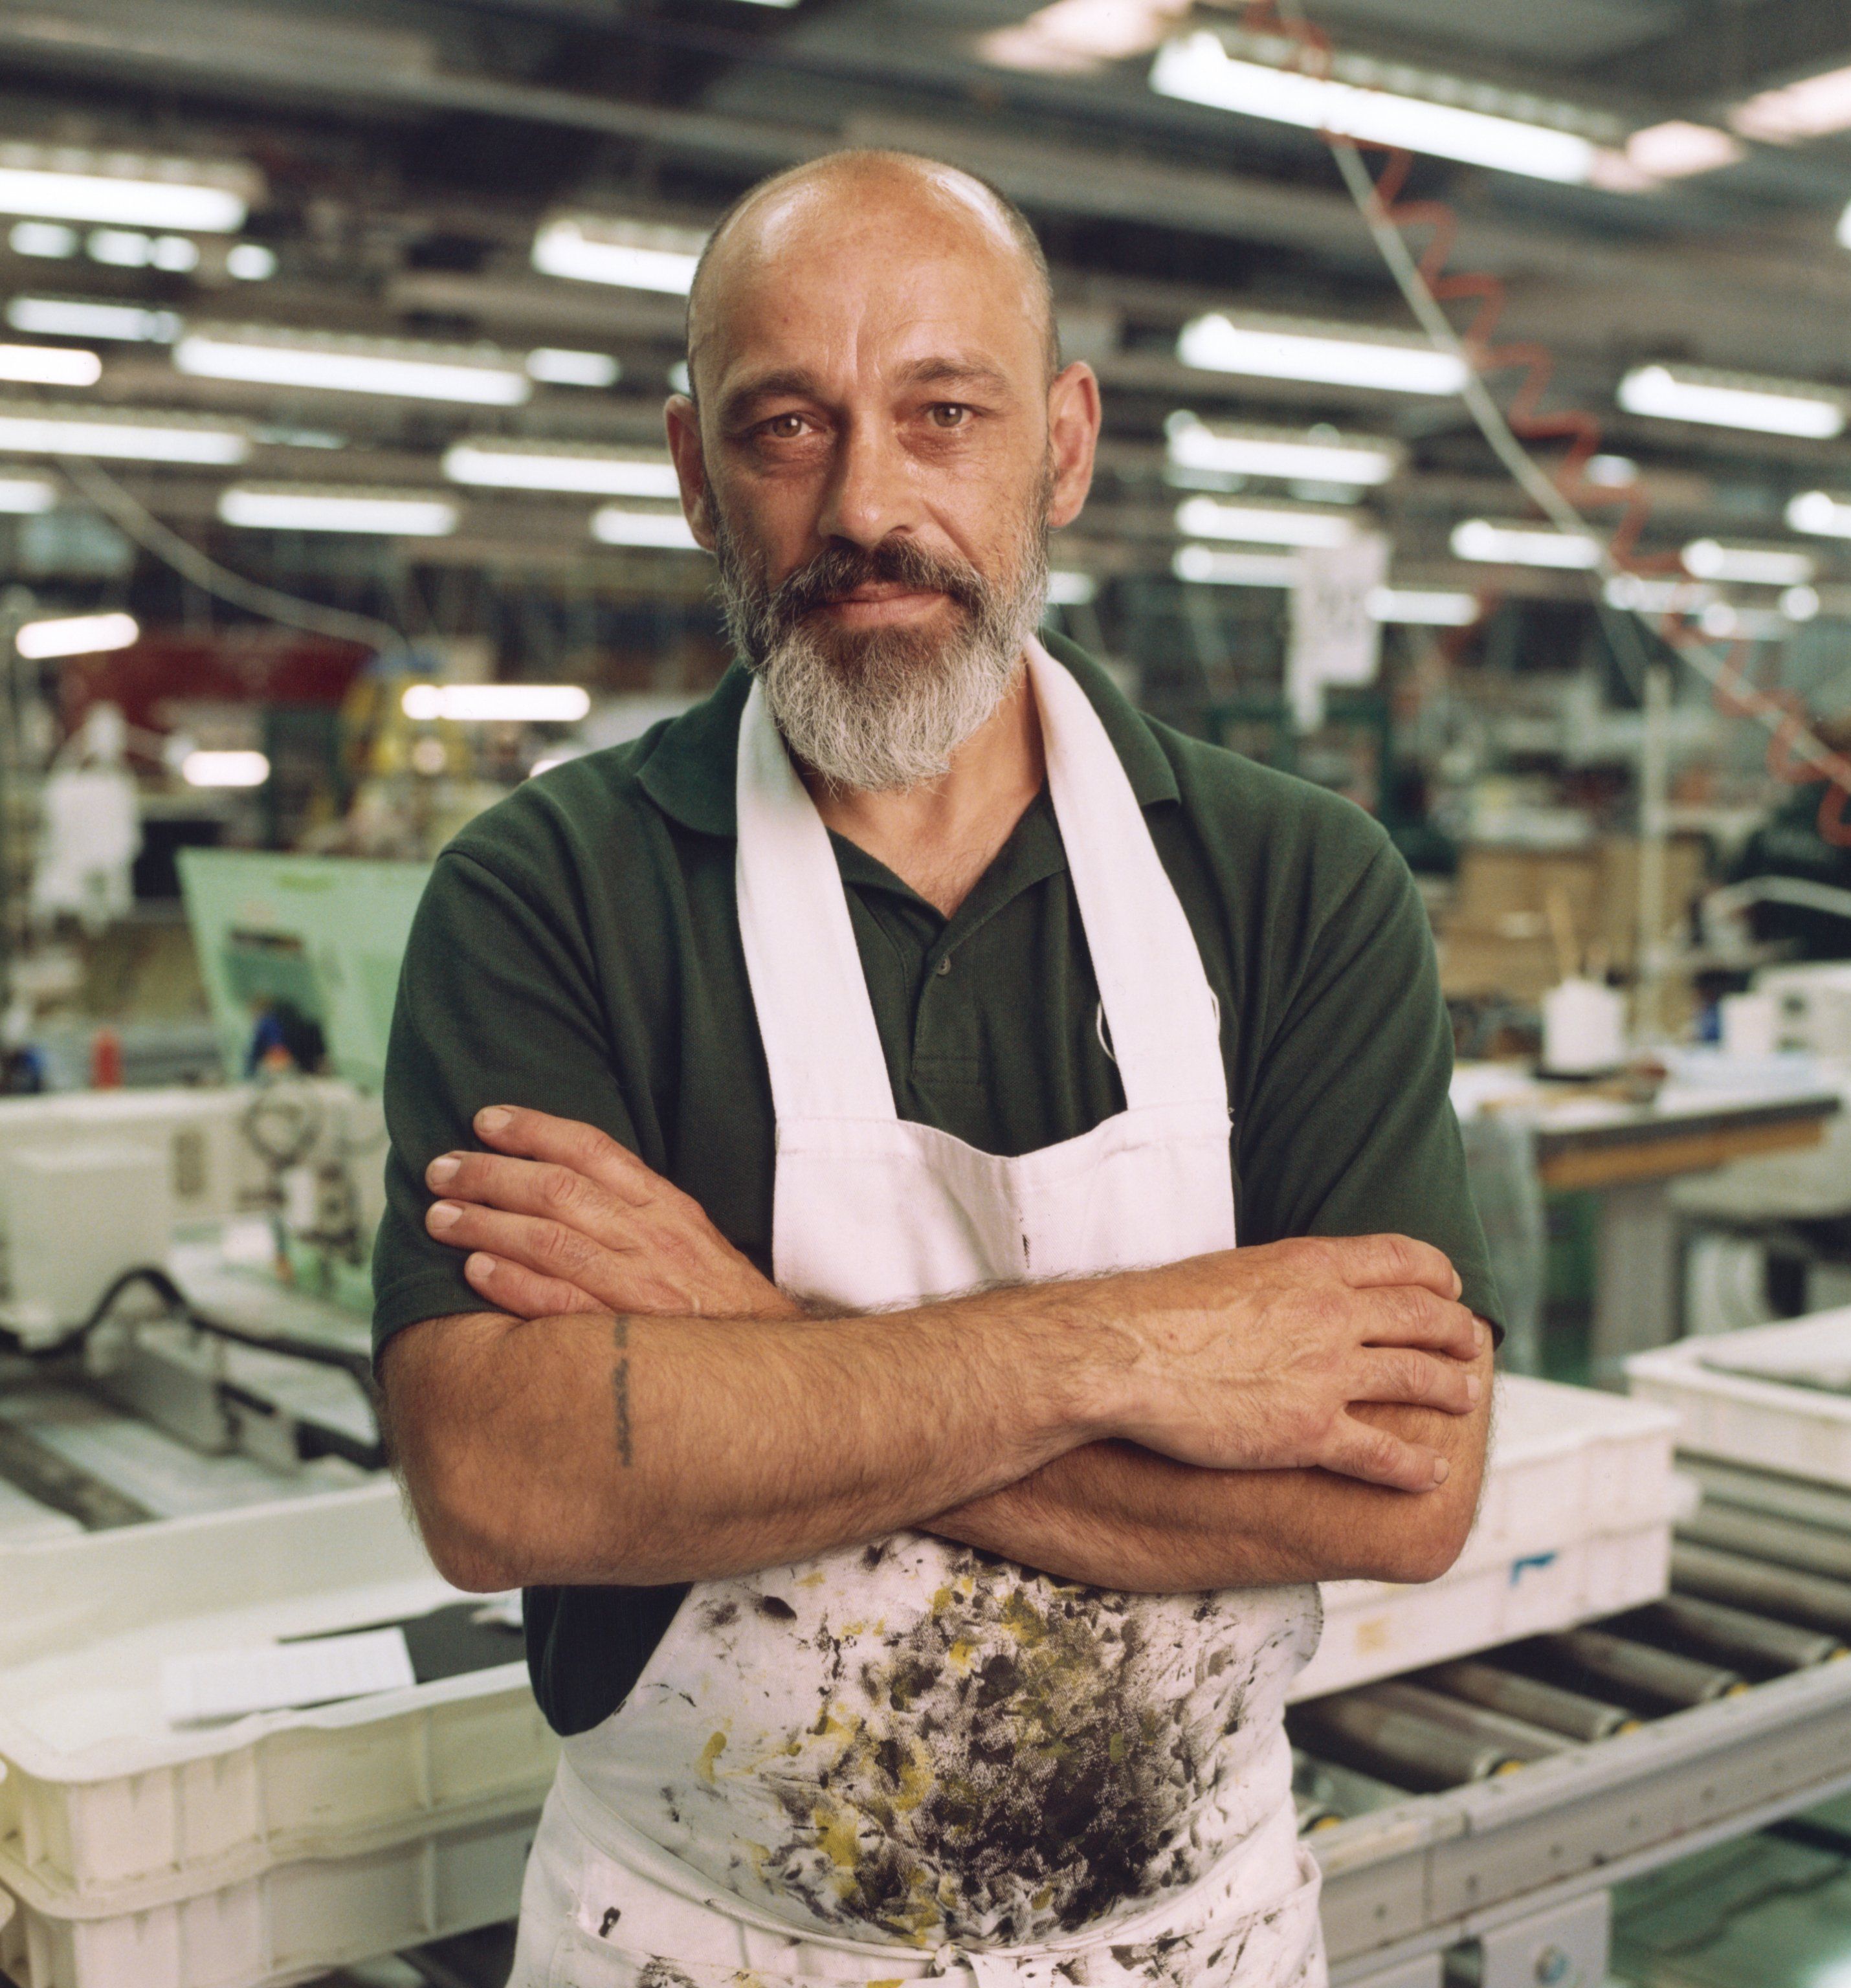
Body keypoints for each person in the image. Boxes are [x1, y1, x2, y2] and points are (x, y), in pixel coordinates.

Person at [371, 150, 1498, 1988]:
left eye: (943, 413)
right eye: (787, 425)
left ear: (1061, 447)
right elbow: (502, 1481)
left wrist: (742, 1343)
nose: (865, 501)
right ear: (692, 476)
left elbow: (1401, 1492)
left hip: (1189, 1942)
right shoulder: (549, 892)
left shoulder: (1295, 884)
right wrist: (1148, 1354)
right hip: (700, 1947)